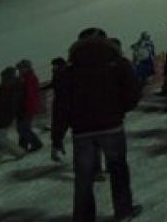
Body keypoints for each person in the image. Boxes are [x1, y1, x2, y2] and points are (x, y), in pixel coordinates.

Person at [53, 28, 142, 221]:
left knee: (83, 179)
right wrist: (119, 110)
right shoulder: (118, 63)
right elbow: (134, 92)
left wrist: (57, 137)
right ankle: (123, 211)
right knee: (118, 170)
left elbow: (61, 107)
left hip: (82, 131)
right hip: (112, 126)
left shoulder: (68, 71)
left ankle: (84, 218)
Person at [0, 67, 27, 166]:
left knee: (0, 139)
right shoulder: (3, 87)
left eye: (4, 77)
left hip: (4, 117)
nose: (2, 79)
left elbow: (10, 105)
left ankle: (19, 152)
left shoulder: (14, 88)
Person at [15, 59, 43, 152]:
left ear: (26, 68)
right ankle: (23, 146)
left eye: (20, 68)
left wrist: (24, 107)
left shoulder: (28, 78)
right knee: (22, 127)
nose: (19, 70)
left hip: (27, 107)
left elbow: (28, 95)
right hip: (25, 107)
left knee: (23, 128)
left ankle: (36, 144)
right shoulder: (25, 77)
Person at [49, 57, 68, 163]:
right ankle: (57, 149)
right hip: (60, 104)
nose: (53, 67)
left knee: (60, 128)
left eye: (55, 65)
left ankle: (57, 149)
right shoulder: (57, 73)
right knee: (58, 129)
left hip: (65, 104)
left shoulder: (66, 73)